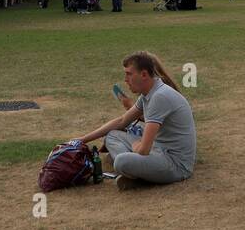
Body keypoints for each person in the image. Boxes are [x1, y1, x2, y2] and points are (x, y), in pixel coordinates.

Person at [77, 52, 196, 188]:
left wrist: (136, 146)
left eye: (129, 74)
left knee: (121, 161)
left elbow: (144, 149)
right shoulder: (149, 92)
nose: (125, 79)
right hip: (158, 150)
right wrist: (82, 139)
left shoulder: (159, 97)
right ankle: (137, 173)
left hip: (176, 165)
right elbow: (121, 121)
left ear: (144, 75)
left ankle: (136, 174)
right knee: (112, 136)